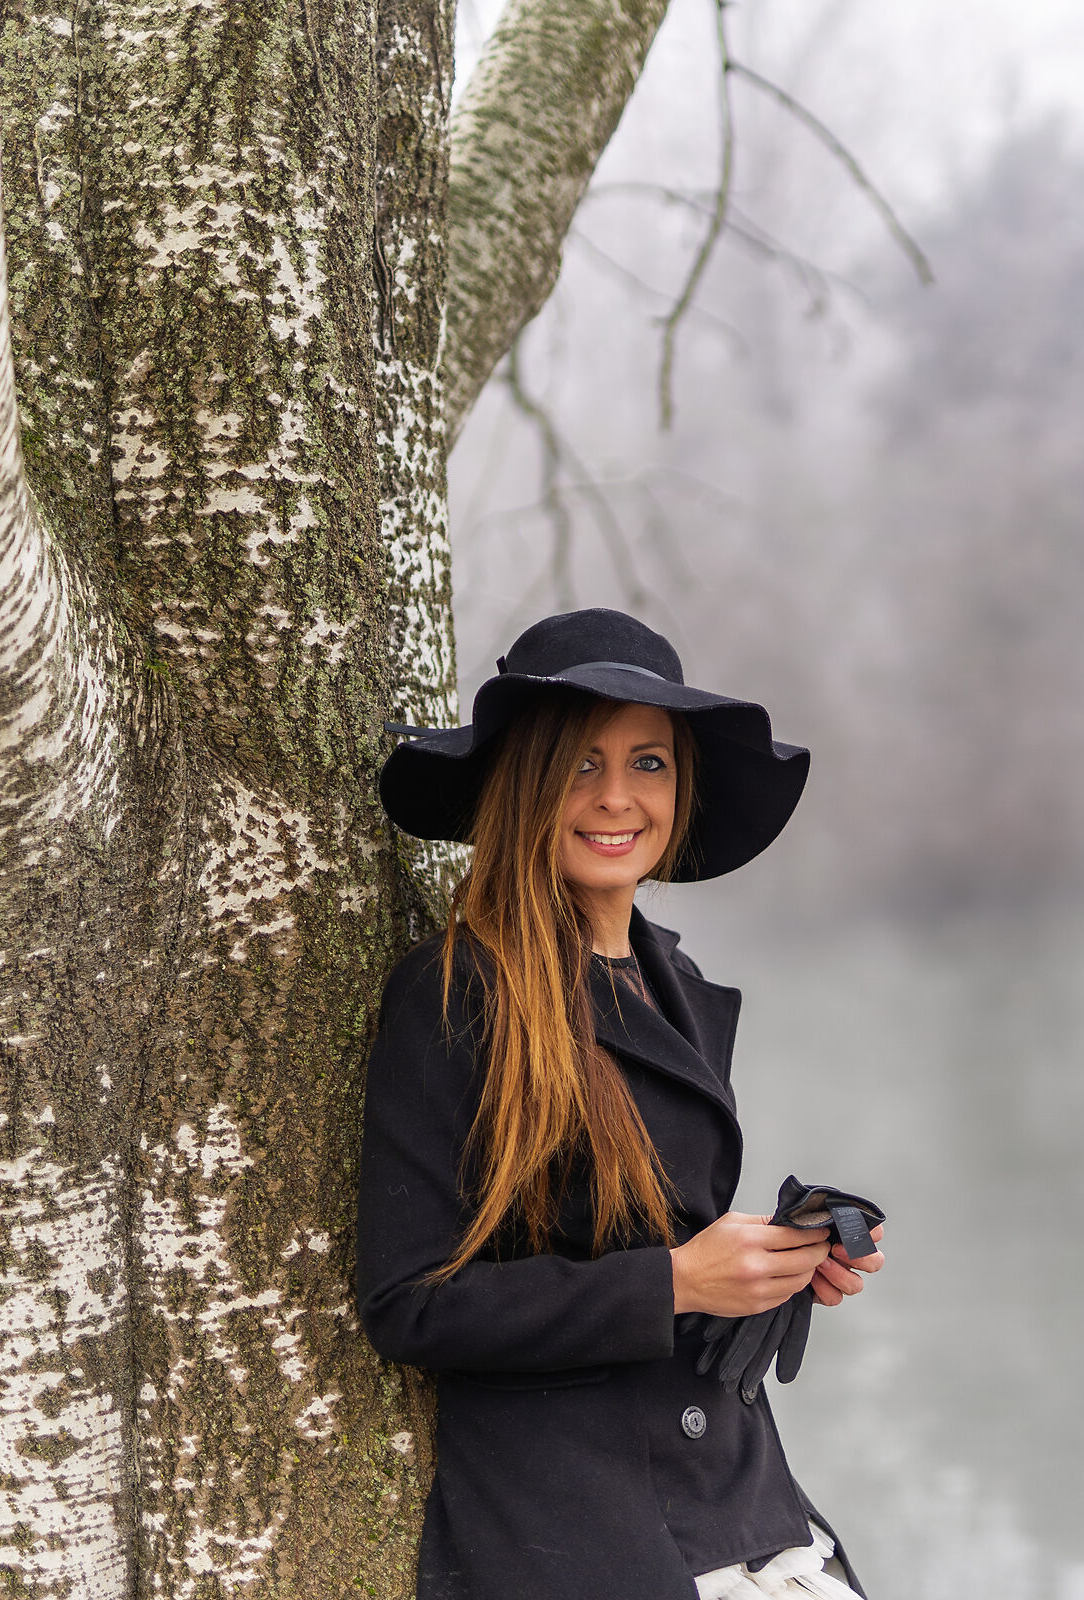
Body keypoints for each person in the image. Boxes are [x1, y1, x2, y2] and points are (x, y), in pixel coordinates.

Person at [356, 608, 882, 1600]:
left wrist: (774, 1257)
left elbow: (648, 1220)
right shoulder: (456, 993)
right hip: (578, 1526)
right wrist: (677, 1282)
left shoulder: (670, 974)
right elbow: (410, 1304)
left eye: (649, 763)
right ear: (524, 784)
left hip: (747, 1497)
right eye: (580, 764)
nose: (615, 797)